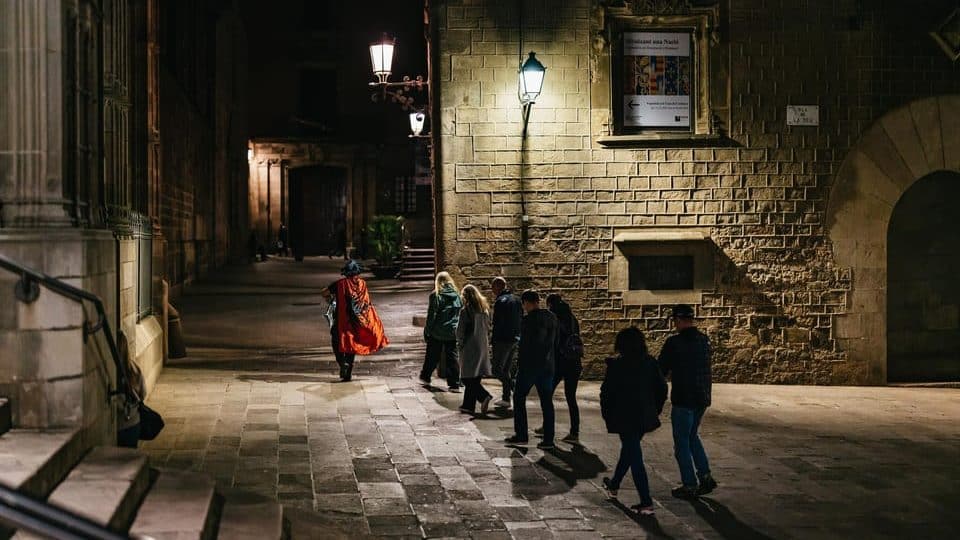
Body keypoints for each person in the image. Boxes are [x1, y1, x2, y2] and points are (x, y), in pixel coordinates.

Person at [600, 327, 668, 516]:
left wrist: (607, 414)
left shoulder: (617, 366)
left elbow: (606, 393)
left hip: (624, 416)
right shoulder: (650, 363)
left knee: (634, 456)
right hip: (643, 416)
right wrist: (656, 409)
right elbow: (661, 388)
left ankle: (646, 502)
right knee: (630, 450)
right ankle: (614, 485)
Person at [659, 304, 717, 498]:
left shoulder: (674, 343)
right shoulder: (703, 340)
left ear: (678, 320)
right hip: (702, 397)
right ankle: (705, 475)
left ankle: (689, 484)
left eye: (675, 320)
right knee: (692, 436)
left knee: (682, 442)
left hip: (684, 398)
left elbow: (661, 369)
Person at [504, 290, 558, 449]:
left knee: (519, 397)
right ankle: (549, 439)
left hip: (530, 367)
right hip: (548, 366)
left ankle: (521, 435)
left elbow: (526, 346)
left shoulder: (528, 321)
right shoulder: (552, 318)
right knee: (547, 402)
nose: (524, 307)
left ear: (527, 302)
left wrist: (519, 366)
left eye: (524, 304)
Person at [322, 260, 389, 382]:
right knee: (350, 346)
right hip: (357, 321)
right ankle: (347, 374)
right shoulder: (363, 284)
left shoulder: (340, 284)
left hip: (341, 320)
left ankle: (342, 364)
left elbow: (324, 292)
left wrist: (330, 299)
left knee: (336, 341)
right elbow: (366, 303)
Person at [542, 293, 583, 442]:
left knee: (547, 394)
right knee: (571, 397)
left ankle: (547, 426)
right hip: (574, 363)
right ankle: (574, 432)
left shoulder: (555, 320)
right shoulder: (573, 319)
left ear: (550, 305)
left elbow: (552, 343)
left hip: (560, 363)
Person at [419, 272, 463, 391]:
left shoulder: (436, 295)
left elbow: (431, 315)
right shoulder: (457, 295)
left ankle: (426, 376)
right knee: (452, 357)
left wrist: (427, 331)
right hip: (452, 331)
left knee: (432, 356)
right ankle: (454, 384)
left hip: (438, 331)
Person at [456, 284, 493, 414]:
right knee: (475, 376)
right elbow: (488, 328)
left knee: (466, 377)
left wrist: (460, 344)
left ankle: (484, 396)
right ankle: (468, 405)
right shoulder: (484, 310)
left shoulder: (465, 311)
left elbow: (460, 331)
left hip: (470, 346)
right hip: (482, 345)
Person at [490, 277, 522, 408]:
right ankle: (506, 398)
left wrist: (493, 339)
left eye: (493, 287)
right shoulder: (517, 300)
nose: (492, 290)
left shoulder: (500, 301)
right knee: (506, 369)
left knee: (497, 369)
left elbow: (497, 323)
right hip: (514, 338)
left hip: (502, 340)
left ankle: (514, 388)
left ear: (498, 286)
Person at [116, 332, 145, 448]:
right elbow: (143, 393)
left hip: (118, 425)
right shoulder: (134, 368)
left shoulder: (109, 371)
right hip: (133, 422)